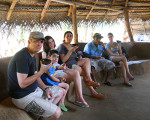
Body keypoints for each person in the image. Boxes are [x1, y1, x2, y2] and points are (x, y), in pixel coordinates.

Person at [8, 31, 62, 120]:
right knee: (57, 113)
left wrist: (46, 88)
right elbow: (22, 84)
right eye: (36, 41)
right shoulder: (22, 57)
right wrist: (41, 72)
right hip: (23, 97)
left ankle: (42, 114)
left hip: (34, 91)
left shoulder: (32, 55)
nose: (39, 44)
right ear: (29, 42)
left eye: (41, 42)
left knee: (60, 92)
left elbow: (35, 76)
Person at [42, 36, 89, 107]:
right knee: (75, 74)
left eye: (52, 41)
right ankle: (79, 98)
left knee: (76, 72)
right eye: (49, 42)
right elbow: (47, 66)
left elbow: (58, 62)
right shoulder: (45, 53)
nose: (51, 43)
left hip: (60, 69)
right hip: (53, 72)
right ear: (46, 44)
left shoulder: (54, 50)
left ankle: (79, 97)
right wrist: (58, 67)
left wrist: (62, 66)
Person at [57, 31, 105, 99]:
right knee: (85, 72)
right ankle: (93, 92)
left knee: (87, 60)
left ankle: (90, 82)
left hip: (75, 63)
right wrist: (71, 50)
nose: (69, 37)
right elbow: (63, 60)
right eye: (67, 36)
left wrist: (79, 58)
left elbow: (74, 57)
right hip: (68, 65)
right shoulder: (62, 46)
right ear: (64, 37)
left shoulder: (71, 46)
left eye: (71, 36)